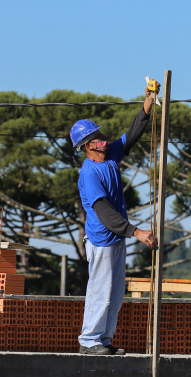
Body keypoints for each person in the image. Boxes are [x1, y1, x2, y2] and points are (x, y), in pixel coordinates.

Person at [71, 83, 159, 355]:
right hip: (102, 241)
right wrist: (137, 232)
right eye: (96, 135)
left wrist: (147, 105)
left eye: (100, 132)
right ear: (87, 146)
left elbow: (131, 136)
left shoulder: (110, 155)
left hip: (117, 238)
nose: (102, 137)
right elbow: (105, 213)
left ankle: (104, 340)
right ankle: (89, 341)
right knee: (100, 292)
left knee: (115, 295)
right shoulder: (89, 174)